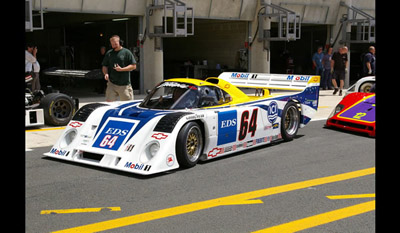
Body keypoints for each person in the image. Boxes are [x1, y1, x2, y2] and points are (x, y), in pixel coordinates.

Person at [102, 35, 136, 101]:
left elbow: (133, 66)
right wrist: (106, 73)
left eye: (115, 43)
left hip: (124, 84)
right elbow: (104, 65)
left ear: (119, 42)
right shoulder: (109, 53)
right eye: (112, 44)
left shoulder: (126, 52)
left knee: (127, 104)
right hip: (112, 83)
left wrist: (122, 69)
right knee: (109, 103)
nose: (113, 45)